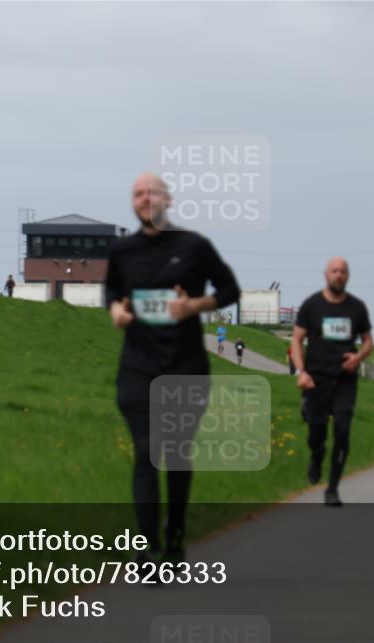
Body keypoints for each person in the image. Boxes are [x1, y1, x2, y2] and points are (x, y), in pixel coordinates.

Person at [105, 172, 240, 562]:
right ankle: (148, 549)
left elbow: (229, 289)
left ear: (169, 200)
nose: (146, 199)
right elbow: (112, 290)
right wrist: (116, 309)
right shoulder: (121, 251)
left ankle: (176, 532)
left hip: (185, 366)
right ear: (133, 202)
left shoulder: (194, 246)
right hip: (137, 367)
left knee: (177, 452)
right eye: (138, 194)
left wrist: (194, 306)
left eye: (153, 192)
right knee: (147, 451)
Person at [291, 257, 374, 507]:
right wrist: (301, 371)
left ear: (348, 276)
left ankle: (333, 488)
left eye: (343, 271)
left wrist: (359, 357)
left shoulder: (357, 307)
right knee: (316, 434)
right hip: (317, 378)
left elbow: (368, 340)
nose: (339, 275)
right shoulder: (312, 305)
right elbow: (296, 339)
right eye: (334, 271)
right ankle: (317, 457)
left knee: (343, 431)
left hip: (345, 379)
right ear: (326, 274)